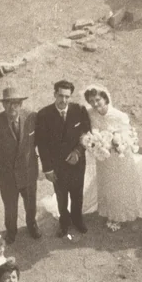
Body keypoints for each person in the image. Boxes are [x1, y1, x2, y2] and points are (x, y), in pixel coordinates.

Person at [82, 84, 142, 231]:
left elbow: (127, 138)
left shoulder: (119, 116)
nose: (95, 104)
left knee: (120, 185)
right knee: (106, 184)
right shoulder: (90, 114)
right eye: (91, 101)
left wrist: (114, 143)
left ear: (105, 99)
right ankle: (110, 212)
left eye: (98, 100)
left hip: (120, 157)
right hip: (103, 158)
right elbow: (89, 133)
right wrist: (97, 145)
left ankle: (120, 215)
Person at [0, 85, 40, 244]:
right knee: (10, 206)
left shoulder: (31, 117)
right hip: (6, 174)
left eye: (15, 103)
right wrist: (5, 160)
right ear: (3, 105)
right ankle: (11, 231)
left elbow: (39, 139)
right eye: (8, 103)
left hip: (28, 171)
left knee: (30, 202)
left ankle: (32, 225)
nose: (12, 106)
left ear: (21, 104)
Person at [36, 80, 91, 239]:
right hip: (57, 166)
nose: (64, 100)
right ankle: (64, 223)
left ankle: (77, 219)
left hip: (77, 163)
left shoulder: (79, 110)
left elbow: (87, 133)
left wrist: (78, 152)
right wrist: (47, 169)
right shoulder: (44, 115)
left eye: (67, 96)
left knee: (77, 193)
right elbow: (42, 144)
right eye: (60, 95)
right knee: (61, 196)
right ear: (54, 94)